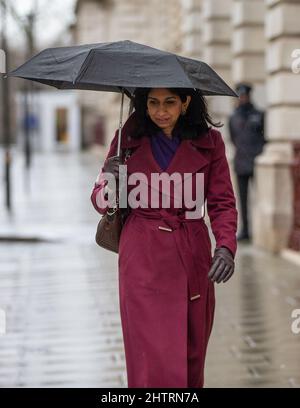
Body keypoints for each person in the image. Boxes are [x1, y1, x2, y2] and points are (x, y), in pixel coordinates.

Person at [91, 87, 238, 388]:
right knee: (149, 358)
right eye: (153, 103)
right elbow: (99, 202)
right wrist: (110, 178)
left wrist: (225, 247)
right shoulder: (126, 140)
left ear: (185, 102)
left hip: (192, 256)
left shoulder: (210, 143)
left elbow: (222, 202)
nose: (161, 111)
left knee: (191, 354)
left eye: (169, 102)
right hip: (141, 259)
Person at [228, 83, 265, 241]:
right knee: (242, 200)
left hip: (256, 162)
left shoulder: (259, 114)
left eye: (245, 95)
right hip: (241, 162)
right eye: (240, 96)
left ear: (249, 96)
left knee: (259, 198)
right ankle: (245, 230)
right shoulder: (233, 117)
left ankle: (259, 229)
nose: (242, 98)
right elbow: (233, 138)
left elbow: (265, 137)